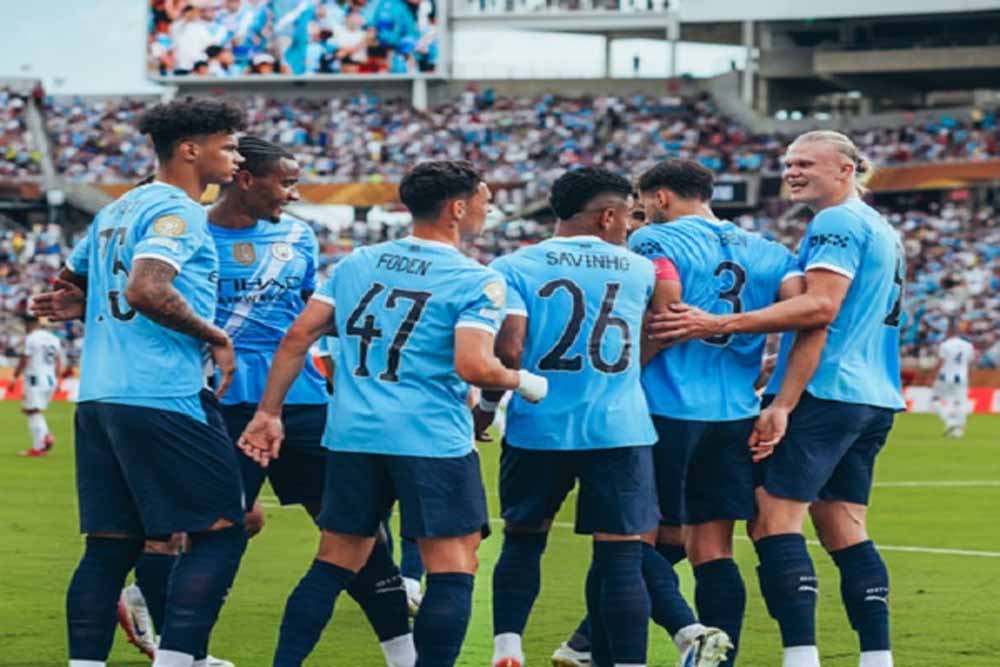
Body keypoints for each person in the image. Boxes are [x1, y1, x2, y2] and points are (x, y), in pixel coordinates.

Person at [237, 160, 547, 667]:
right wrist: (523, 381)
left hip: (353, 435)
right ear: (458, 208)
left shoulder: (357, 263)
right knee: (452, 568)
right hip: (430, 438)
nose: (488, 211)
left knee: (334, 562)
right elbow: (474, 365)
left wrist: (269, 412)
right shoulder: (477, 279)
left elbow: (298, 337)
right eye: (485, 201)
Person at [648, 130, 905, 667]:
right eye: (789, 163)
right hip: (874, 394)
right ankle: (877, 657)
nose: (792, 172)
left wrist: (723, 327)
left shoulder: (834, 222)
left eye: (806, 163)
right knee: (845, 527)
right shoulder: (880, 227)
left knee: (772, 522)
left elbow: (819, 310)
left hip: (824, 389)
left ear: (846, 169)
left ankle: (800, 656)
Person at [477, 166, 728, 667]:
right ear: (607, 216)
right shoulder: (640, 268)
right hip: (619, 427)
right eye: (629, 217)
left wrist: (485, 409)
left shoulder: (514, 265)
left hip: (538, 425)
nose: (631, 226)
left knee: (523, 541)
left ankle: (507, 648)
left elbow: (509, 349)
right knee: (621, 559)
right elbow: (663, 325)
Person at [33, 97, 248, 667]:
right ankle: (180, 660)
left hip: (99, 395)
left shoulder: (115, 210)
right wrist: (214, 336)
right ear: (190, 150)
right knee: (222, 531)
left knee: (110, 545)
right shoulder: (179, 211)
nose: (236, 157)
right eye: (228, 146)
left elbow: (69, 285)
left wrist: (77, 303)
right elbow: (146, 289)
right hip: (161, 392)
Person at [624, 159, 812, 667]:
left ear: (661, 197)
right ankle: (716, 660)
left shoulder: (652, 239)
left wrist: (618, 377)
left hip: (663, 407)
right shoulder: (772, 251)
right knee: (713, 549)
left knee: (628, 540)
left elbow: (662, 319)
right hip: (734, 413)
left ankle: (681, 637)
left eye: (643, 202)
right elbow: (806, 314)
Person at [10, 314, 63, 457]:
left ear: (29, 324)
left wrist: (15, 377)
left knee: (32, 411)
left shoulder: (31, 338)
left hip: (35, 379)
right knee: (33, 410)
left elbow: (25, 359)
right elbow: (58, 361)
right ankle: (45, 438)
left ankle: (40, 445)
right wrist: (58, 379)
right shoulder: (53, 338)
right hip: (50, 380)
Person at [933, 322, 975, 438]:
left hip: (945, 377)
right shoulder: (968, 345)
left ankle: (950, 422)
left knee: (935, 400)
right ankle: (959, 430)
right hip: (961, 378)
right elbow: (971, 363)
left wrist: (932, 376)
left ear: (948, 332)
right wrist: (970, 376)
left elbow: (940, 362)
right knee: (960, 403)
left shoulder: (945, 345)